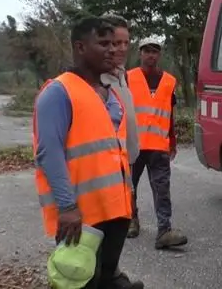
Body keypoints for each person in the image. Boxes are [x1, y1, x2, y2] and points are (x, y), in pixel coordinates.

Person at [33, 17, 143, 289]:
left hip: (116, 210)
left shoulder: (110, 93)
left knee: (107, 276)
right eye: (103, 44)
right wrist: (67, 207)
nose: (112, 50)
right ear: (81, 47)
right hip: (82, 216)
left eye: (115, 44)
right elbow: (49, 153)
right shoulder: (58, 92)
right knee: (80, 281)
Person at [126, 38, 188, 249]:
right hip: (133, 145)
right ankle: (131, 220)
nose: (151, 55)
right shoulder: (128, 78)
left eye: (155, 51)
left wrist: (172, 141)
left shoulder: (169, 81)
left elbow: (170, 114)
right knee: (129, 186)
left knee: (162, 188)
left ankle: (164, 230)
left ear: (159, 55)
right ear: (140, 53)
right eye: (147, 51)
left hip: (159, 146)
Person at [100, 14, 140, 166]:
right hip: (109, 168)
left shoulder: (123, 76)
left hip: (127, 164)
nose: (123, 49)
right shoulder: (95, 81)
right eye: (117, 43)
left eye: (126, 43)